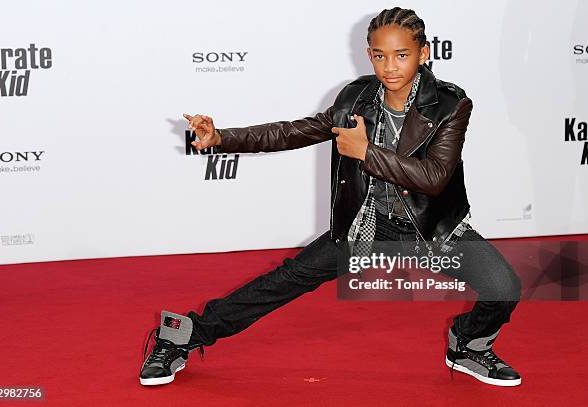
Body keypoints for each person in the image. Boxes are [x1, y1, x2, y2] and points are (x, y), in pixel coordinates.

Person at [139, 7, 522, 387]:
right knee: (287, 280)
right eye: (379, 55)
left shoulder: (450, 105)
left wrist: (366, 153)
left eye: (401, 55)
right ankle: (182, 336)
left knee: (505, 287)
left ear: (423, 53)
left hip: (430, 228)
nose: (389, 66)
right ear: (369, 54)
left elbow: (435, 177)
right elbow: (292, 132)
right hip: (367, 225)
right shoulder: (354, 100)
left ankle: (468, 344)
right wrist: (222, 136)